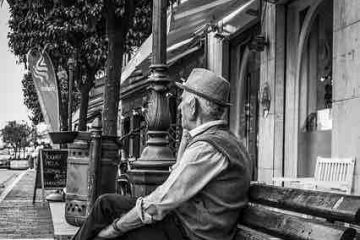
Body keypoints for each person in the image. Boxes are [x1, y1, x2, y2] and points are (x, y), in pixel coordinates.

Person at [72, 68, 252, 240]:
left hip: (189, 233)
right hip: (190, 226)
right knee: (106, 205)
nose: (180, 106)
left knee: (110, 228)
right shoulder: (225, 141)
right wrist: (186, 135)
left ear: (193, 106)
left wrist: (115, 228)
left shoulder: (206, 149)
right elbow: (177, 174)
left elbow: (160, 202)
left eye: (182, 100)